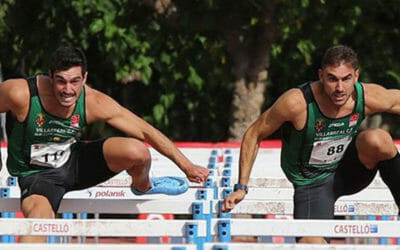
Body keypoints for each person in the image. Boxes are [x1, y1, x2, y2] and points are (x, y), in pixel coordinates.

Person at [0, 46, 209, 242]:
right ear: (50, 76)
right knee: (38, 224)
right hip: (37, 176)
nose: (68, 90)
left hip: (75, 162)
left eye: (74, 81)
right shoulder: (20, 93)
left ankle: (143, 186)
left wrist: (187, 165)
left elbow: (146, 130)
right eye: (61, 81)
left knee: (137, 151)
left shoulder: (92, 101)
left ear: (84, 78)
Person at [222, 45, 400, 243]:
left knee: (378, 139)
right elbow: (253, 134)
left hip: (349, 172)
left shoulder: (367, 96)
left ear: (356, 76)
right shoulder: (296, 103)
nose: (340, 88)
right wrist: (241, 186)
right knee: (311, 244)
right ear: (321, 76)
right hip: (312, 182)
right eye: (332, 79)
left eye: (346, 79)